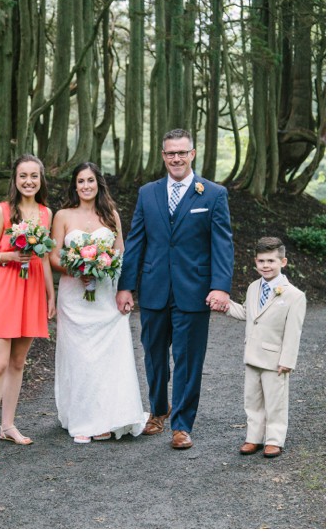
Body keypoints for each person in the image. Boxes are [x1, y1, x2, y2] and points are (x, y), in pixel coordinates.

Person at [116, 128, 234, 450]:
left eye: (182, 152)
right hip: (154, 288)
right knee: (154, 356)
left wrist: (220, 287)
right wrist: (126, 286)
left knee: (187, 359)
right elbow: (137, 241)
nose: (177, 158)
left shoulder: (212, 194)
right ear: (163, 155)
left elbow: (221, 245)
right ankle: (157, 411)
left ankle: (182, 425)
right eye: (171, 153)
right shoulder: (147, 193)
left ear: (192, 154)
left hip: (193, 290)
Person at [50, 163, 148, 443]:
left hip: (105, 293)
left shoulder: (111, 215)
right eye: (80, 181)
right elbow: (54, 257)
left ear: (98, 184)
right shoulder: (63, 215)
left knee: (107, 354)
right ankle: (83, 419)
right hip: (73, 296)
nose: (85, 186)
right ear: (74, 185)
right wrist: (77, 270)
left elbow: (121, 254)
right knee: (79, 355)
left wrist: (121, 287)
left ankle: (110, 416)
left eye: (90, 180)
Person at [0, 155, 56, 457]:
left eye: (34, 176)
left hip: (32, 288)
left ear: (41, 179)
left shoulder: (46, 213)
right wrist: (11, 256)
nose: (29, 181)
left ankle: (8, 426)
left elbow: (45, 257)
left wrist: (51, 295)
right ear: (15, 179)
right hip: (6, 287)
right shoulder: (3, 211)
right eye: (23, 176)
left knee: (18, 363)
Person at [217, 237, 306, 458]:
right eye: (261, 261)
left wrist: (287, 360)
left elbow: (293, 332)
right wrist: (225, 306)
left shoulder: (294, 295)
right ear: (255, 263)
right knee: (252, 400)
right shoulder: (253, 288)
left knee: (275, 401)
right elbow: (248, 314)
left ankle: (274, 439)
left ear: (283, 262)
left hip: (275, 359)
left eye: (271, 261)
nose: (265, 265)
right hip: (252, 354)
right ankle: (254, 437)